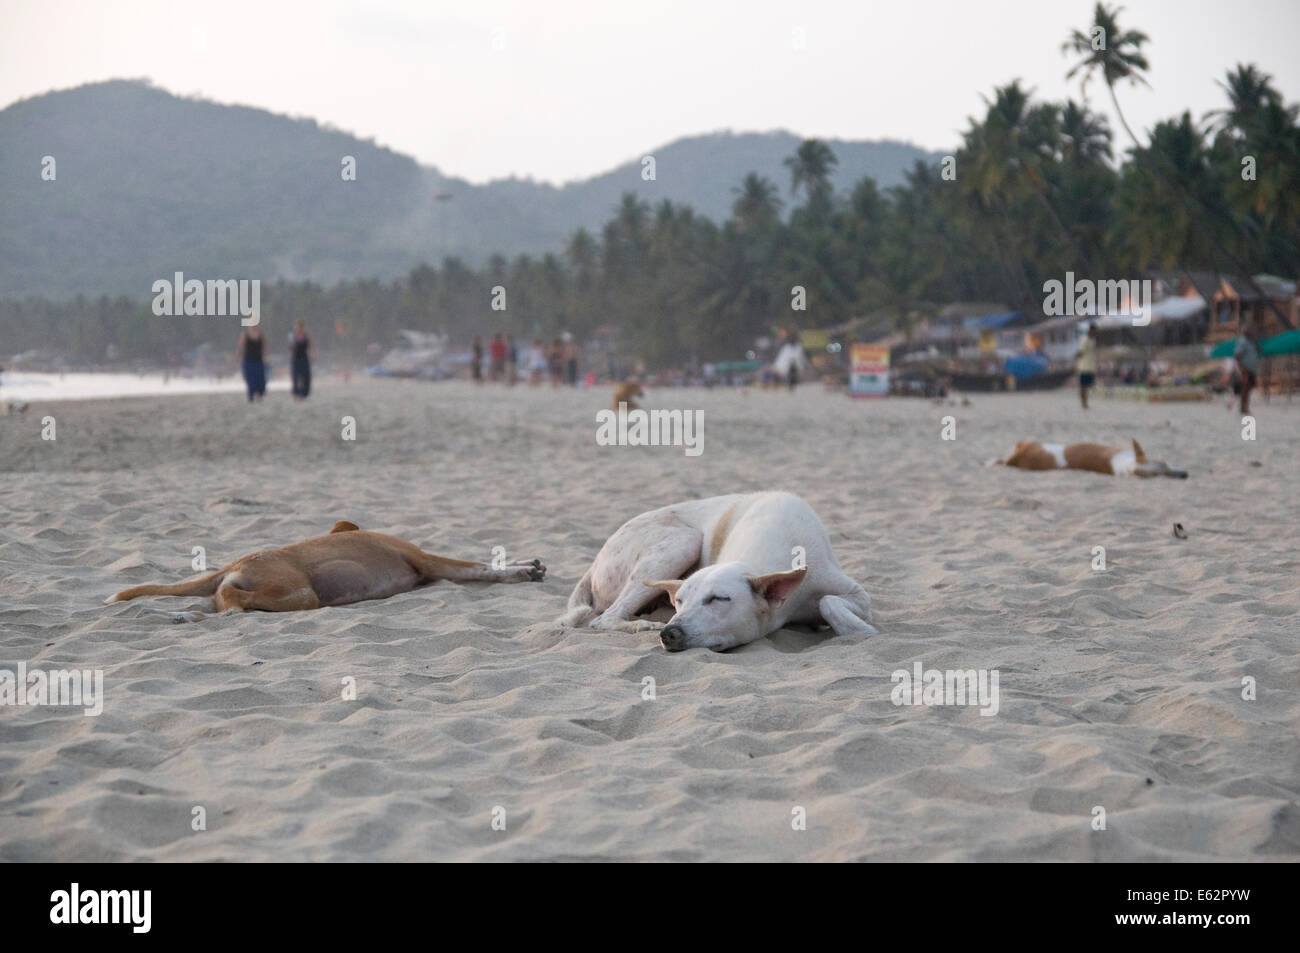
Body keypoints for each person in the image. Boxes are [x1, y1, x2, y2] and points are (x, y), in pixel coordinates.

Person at [1234, 321, 1261, 416]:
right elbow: (1237, 355)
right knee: (1245, 388)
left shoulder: (1252, 342)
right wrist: (1241, 369)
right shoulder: (1243, 342)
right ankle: (1243, 407)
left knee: (1249, 388)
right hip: (1246, 370)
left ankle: (1246, 406)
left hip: (1252, 369)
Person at [237, 325, 267, 402]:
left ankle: (259, 396)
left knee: (261, 380)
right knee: (251, 380)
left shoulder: (261, 335)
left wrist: (265, 357)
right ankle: (252, 397)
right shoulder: (245, 335)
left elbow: (264, 347)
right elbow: (241, 347)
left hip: (258, 360)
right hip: (248, 361)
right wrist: (238, 357)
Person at [289, 319, 314, 400]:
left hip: (304, 358)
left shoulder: (306, 336)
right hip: (295, 359)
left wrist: (312, 355)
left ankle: (303, 394)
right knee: (295, 377)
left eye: (300, 326)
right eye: (297, 326)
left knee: (306, 377)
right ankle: (296, 394)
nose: (299, 328)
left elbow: (311, 346)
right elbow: (290, 348)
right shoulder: (292, 336)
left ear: (303, 327)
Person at [1076, 323, 1098, 409]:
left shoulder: (1093, 341)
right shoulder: (1085, 340)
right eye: (1095, 332)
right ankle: (1084, 403)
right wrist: (1077, 362)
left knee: (1087, 387)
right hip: (1084, 367)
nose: (1096, 333)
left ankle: (1085, 402)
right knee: (1083, 386)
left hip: (1091, 367)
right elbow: (1080, 352)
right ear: (1091, 331)